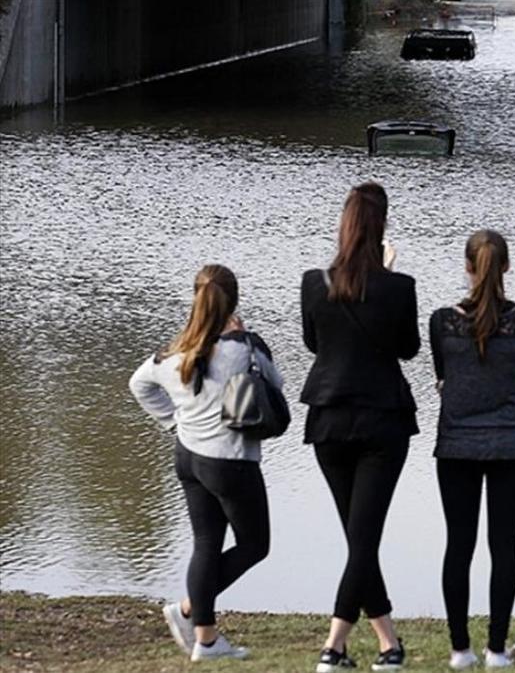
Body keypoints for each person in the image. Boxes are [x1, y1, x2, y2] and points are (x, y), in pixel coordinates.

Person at [129, 264, 280, 663]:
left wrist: (173, 420)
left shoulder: (176, 349)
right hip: (230, 462)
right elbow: (276, 385)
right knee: (254, 545)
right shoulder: (244, 347)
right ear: (233, 302)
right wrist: (244, 337)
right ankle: (189, 611)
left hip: (188, 457)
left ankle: (207, 640)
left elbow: (138, 383)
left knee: (206, 543)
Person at [300, 182, 419, 673]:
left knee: (358, 538)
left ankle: (388, 645)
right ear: (382, 228)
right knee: (364, 539)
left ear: (343, 227)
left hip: (328, 419)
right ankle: (334, 647)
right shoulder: (399, 286)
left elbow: (313, 344)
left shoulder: (314, 283)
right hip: (381, 423)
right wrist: (386, 278)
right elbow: (408, 348)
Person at [429, 230, 515, 670]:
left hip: (456, 445)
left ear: (467, 267)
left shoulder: (442, 321)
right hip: (512, 445)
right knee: (504, 546)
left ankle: (460, 648)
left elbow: (443, 375)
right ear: (507, 268)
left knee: (458, 544)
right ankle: (497, 648)